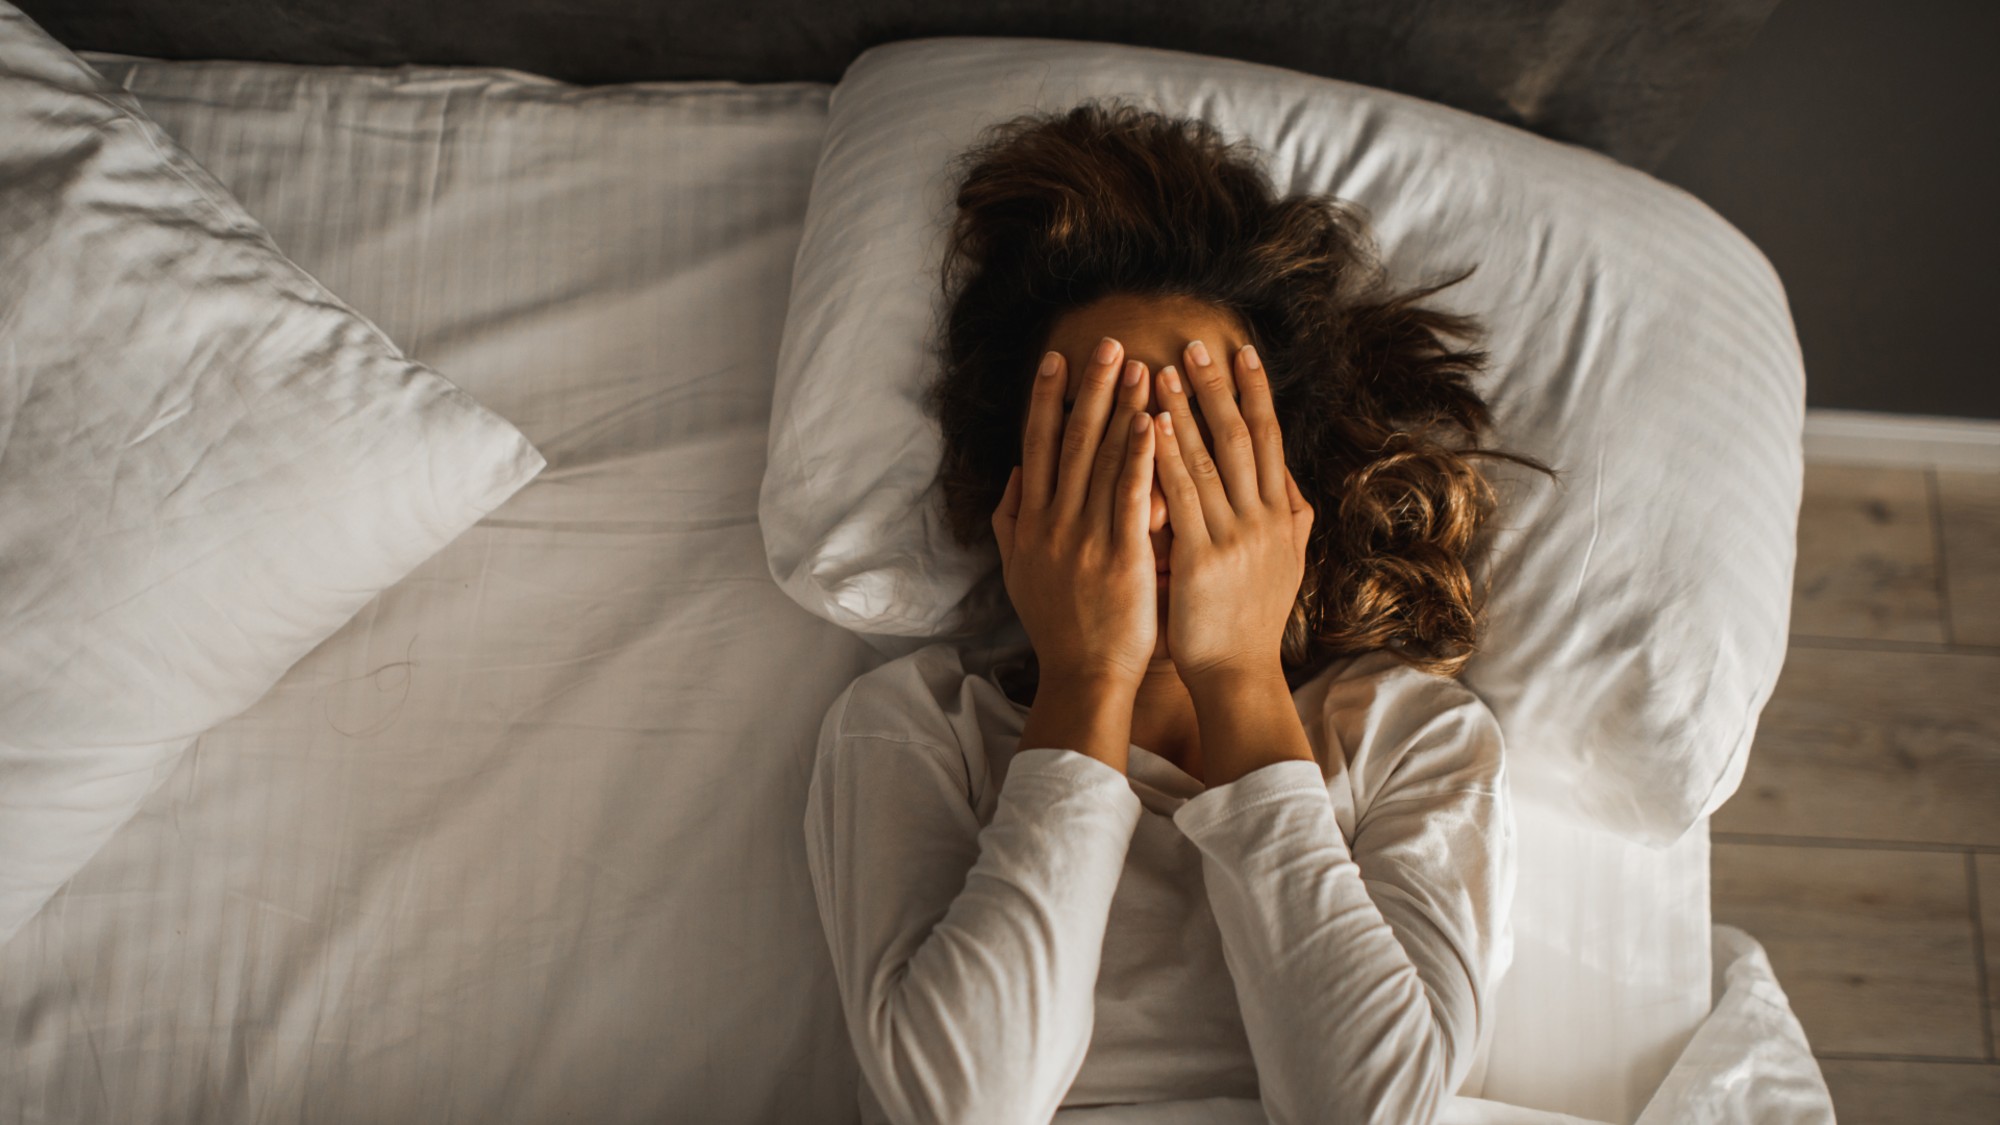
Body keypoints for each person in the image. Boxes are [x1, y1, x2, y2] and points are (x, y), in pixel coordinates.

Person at [803, 101, 1559, 1125]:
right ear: (1015, 492)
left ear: (1284, 490)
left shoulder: (1404, 738)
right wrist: (1084, 684)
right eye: (1095, 439)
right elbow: (965, 1106)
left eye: (1202, 433)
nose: (1151, 492)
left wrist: (1239, 677)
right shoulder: (916, 729)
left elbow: (1372, 1115)